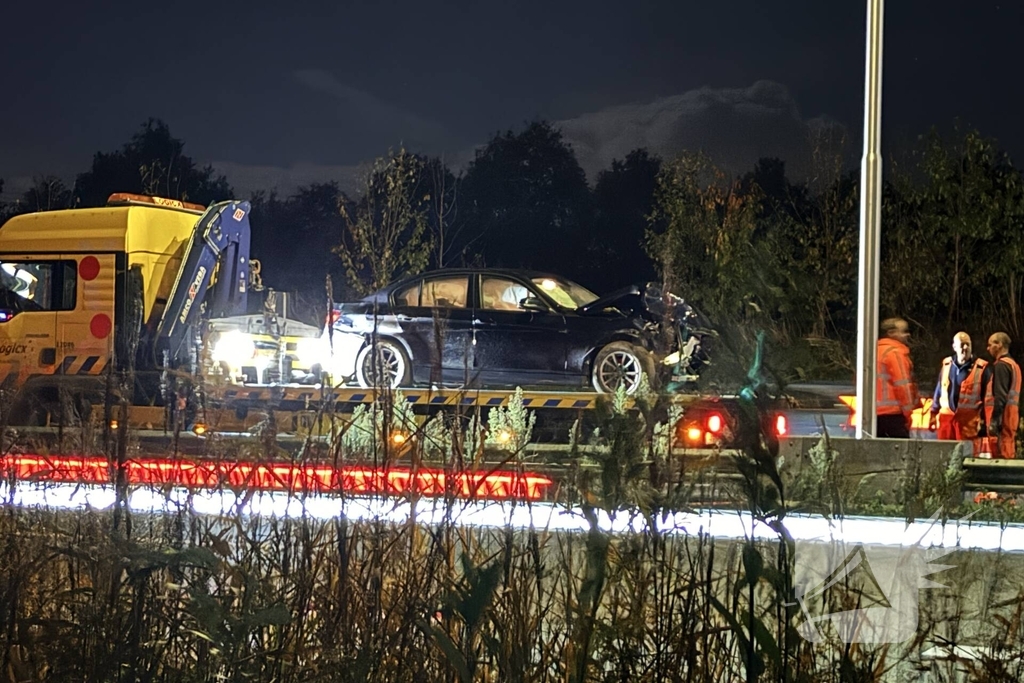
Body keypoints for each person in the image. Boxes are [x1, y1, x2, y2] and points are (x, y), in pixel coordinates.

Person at [929, 332, 988, 440]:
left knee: (966, 455)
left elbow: (987, 398)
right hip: (946, 421)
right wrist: (933, 413)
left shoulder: (981, 368)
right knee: (944, 454)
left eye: (968, 344)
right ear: (954, 347)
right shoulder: (946, 365)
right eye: (962, 345)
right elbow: (939, 390)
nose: (965, 348)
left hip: (968, 423)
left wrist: (984, 422)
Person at [980, 332, 1021, 459]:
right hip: (1011, 415)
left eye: (990, 344)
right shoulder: (1013, 365)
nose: (988, 348)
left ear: (999, 345)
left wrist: (994, 420)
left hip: (1002, 418)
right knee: (1008, 446)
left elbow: (1000, 397)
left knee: (1001, 453)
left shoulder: (1001, 366)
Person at [876, 318, 917, 438]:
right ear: (891, 333)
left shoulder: (872, 351)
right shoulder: (895, 353)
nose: (907, 335)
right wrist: (908, 413)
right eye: (904, 331)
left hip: (873, 414)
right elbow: (903, 386)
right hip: (893, 415)